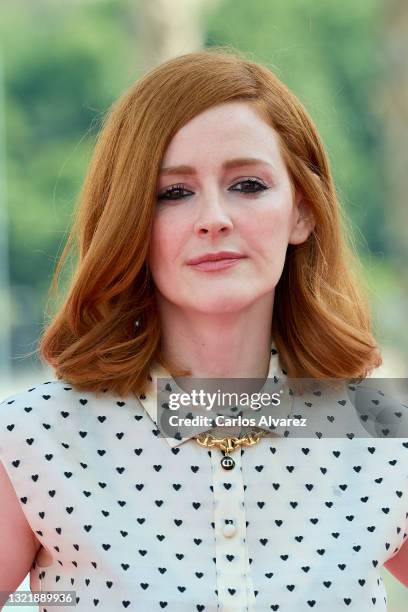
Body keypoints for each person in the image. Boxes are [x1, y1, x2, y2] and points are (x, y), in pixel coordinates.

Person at [0, 46, 407, 611]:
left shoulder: (384, 429)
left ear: (302, 211)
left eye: (247, 185)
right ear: (130, 221)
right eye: (173, 192)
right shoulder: (33, 439)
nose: (214, 217)